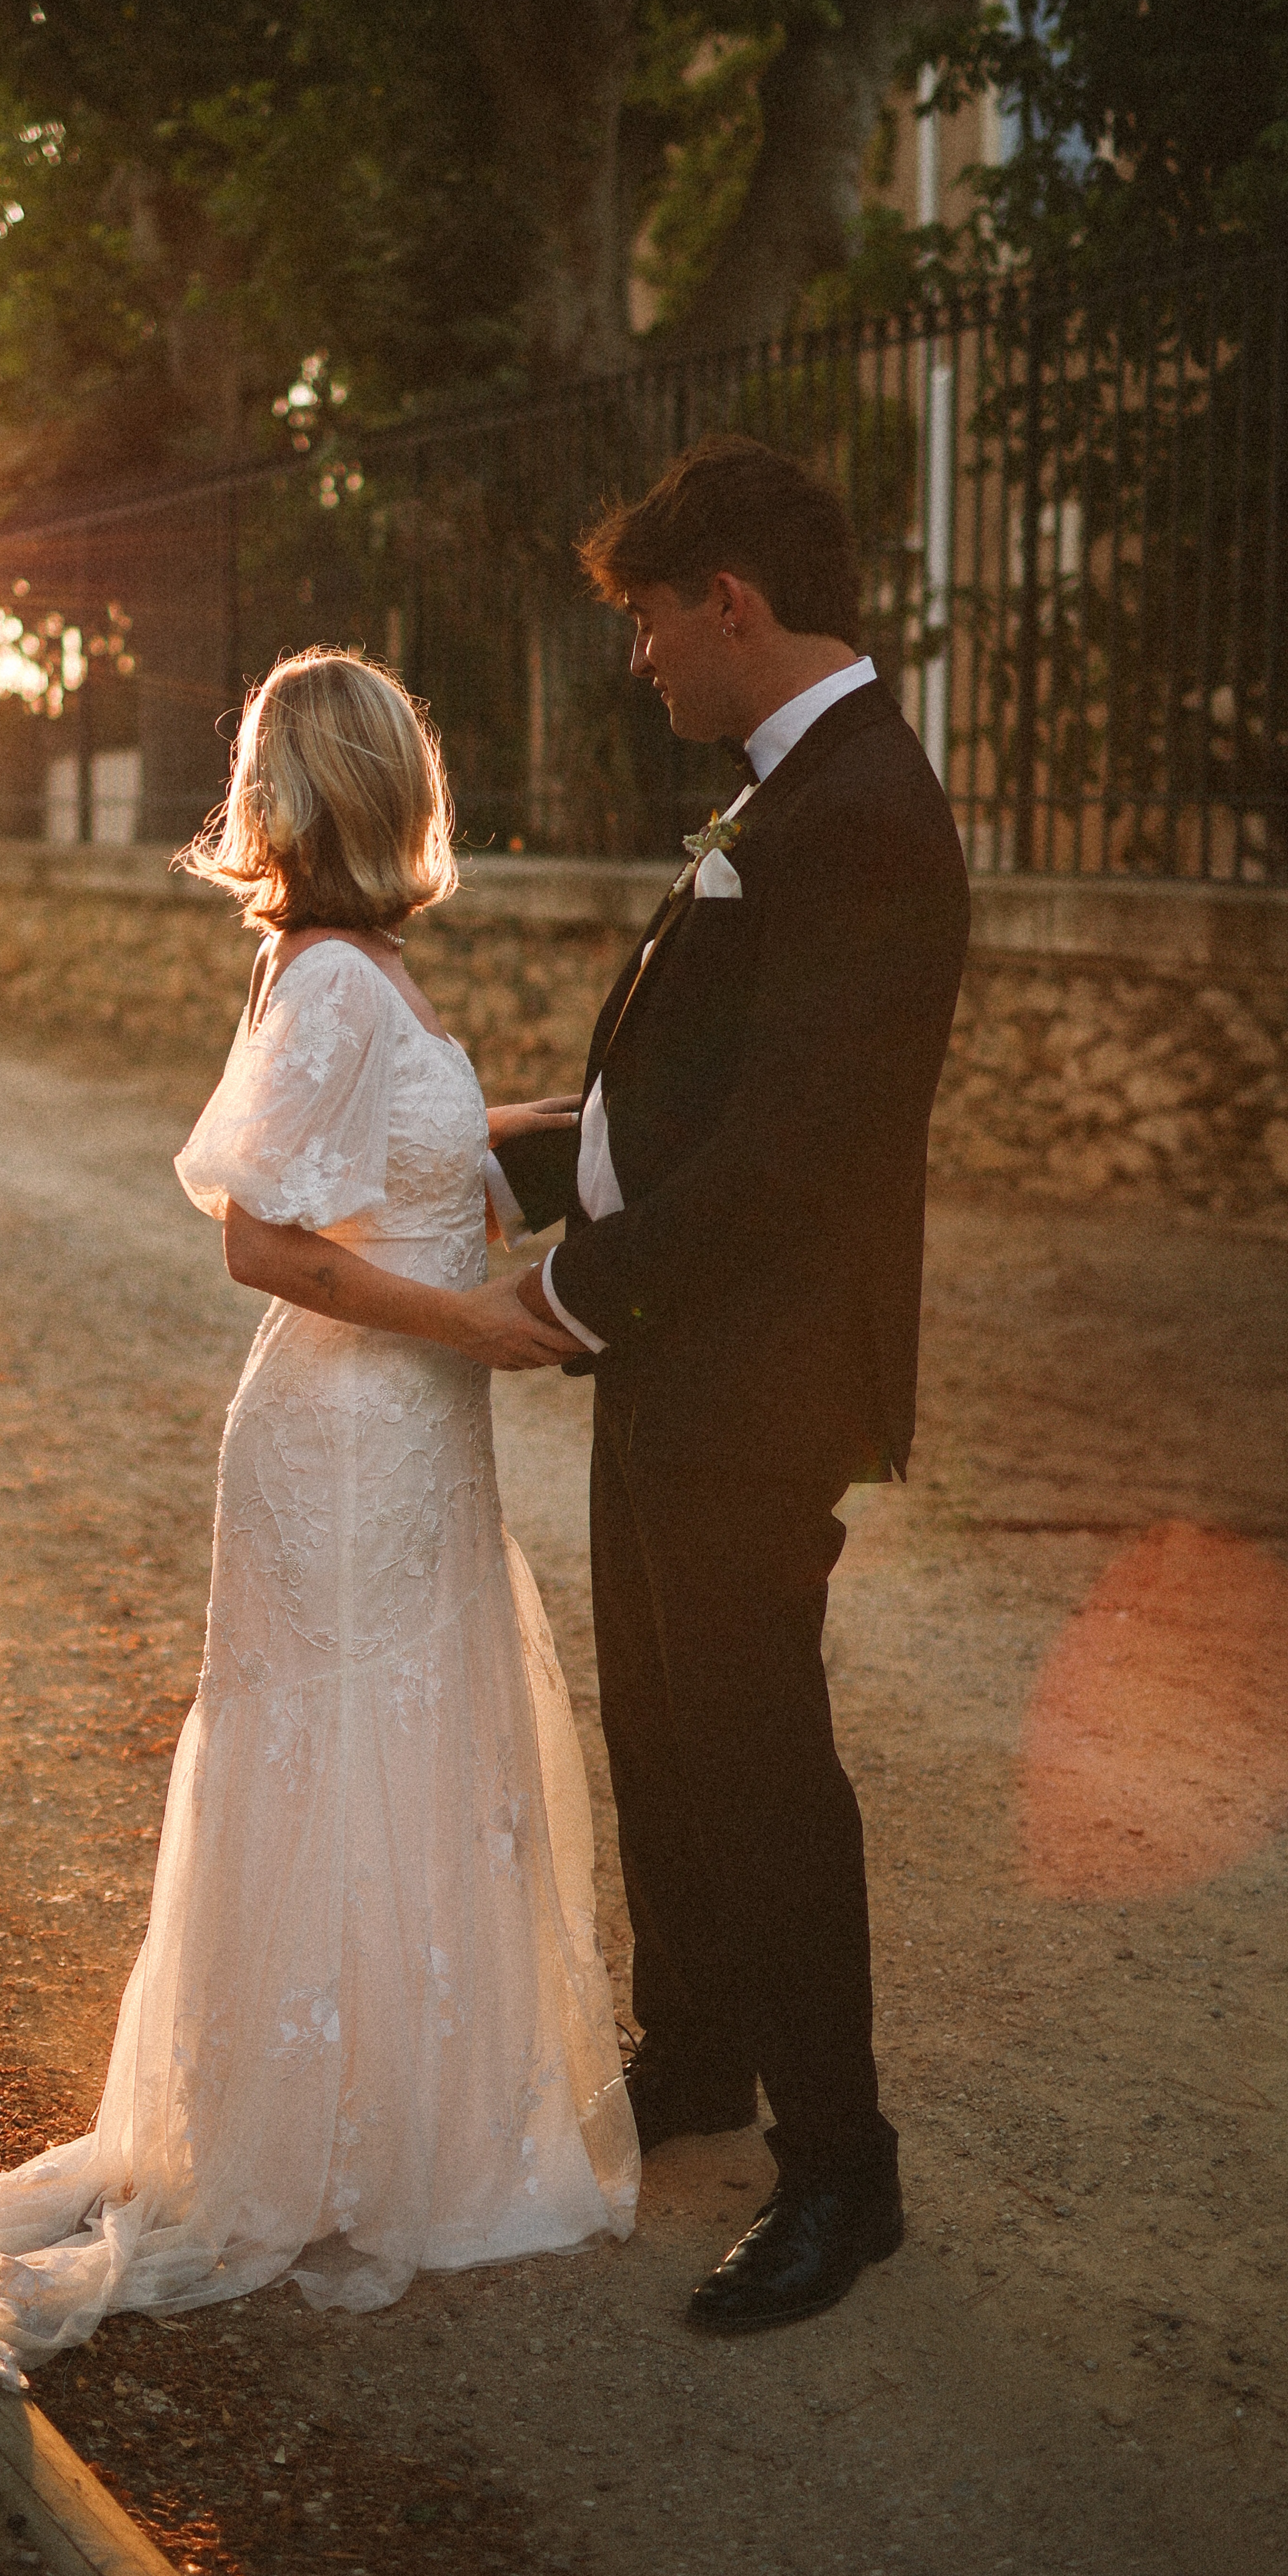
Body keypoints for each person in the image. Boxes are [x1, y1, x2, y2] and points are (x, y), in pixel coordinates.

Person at [0, 648, 635, 2457]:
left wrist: (579, 1139)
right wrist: (484, 1329)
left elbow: (407, 1167)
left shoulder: (361, 974)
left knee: (401, 1738)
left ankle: (381, 2104)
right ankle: (321, 2134)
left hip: (404, 1437)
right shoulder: (330, 988)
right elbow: (267, 1246)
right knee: (344, 1748)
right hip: (351, 1437)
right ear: (385, 786)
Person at [487, 434, 969, 2334]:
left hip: (757, 1375)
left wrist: (568, 1290)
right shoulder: (791, 791)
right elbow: (672, 1099)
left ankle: (842, 2172)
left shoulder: (858, 811)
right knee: (666, 1726)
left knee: (757, 1758)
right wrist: (478, 1147)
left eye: (647, 622)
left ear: (731, 605)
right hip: (681, 1352)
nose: (639, 661)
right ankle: (689, 2061)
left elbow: (791, 1153)